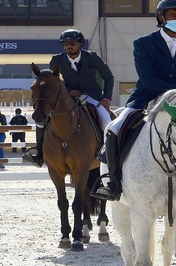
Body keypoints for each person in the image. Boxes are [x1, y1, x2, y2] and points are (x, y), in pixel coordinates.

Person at [91, 0, 176, 203]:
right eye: (174, 15)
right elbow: (148, 79)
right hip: (146, 96)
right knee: (113, 129)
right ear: (162, 17)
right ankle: (112, 182)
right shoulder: (144, 43)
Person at [23, 28, 114, 167]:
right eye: (65, 43)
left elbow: (108, 77)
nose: (69, 46)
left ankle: (106, 152)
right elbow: (54, 82)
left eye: (72, 43)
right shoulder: (56, 60)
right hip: (70, 95)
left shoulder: (92, 57)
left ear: (80, 44)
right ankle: (39, 153)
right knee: (43, 120)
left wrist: (106, 99)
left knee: (105, 119)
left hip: (92, 96)